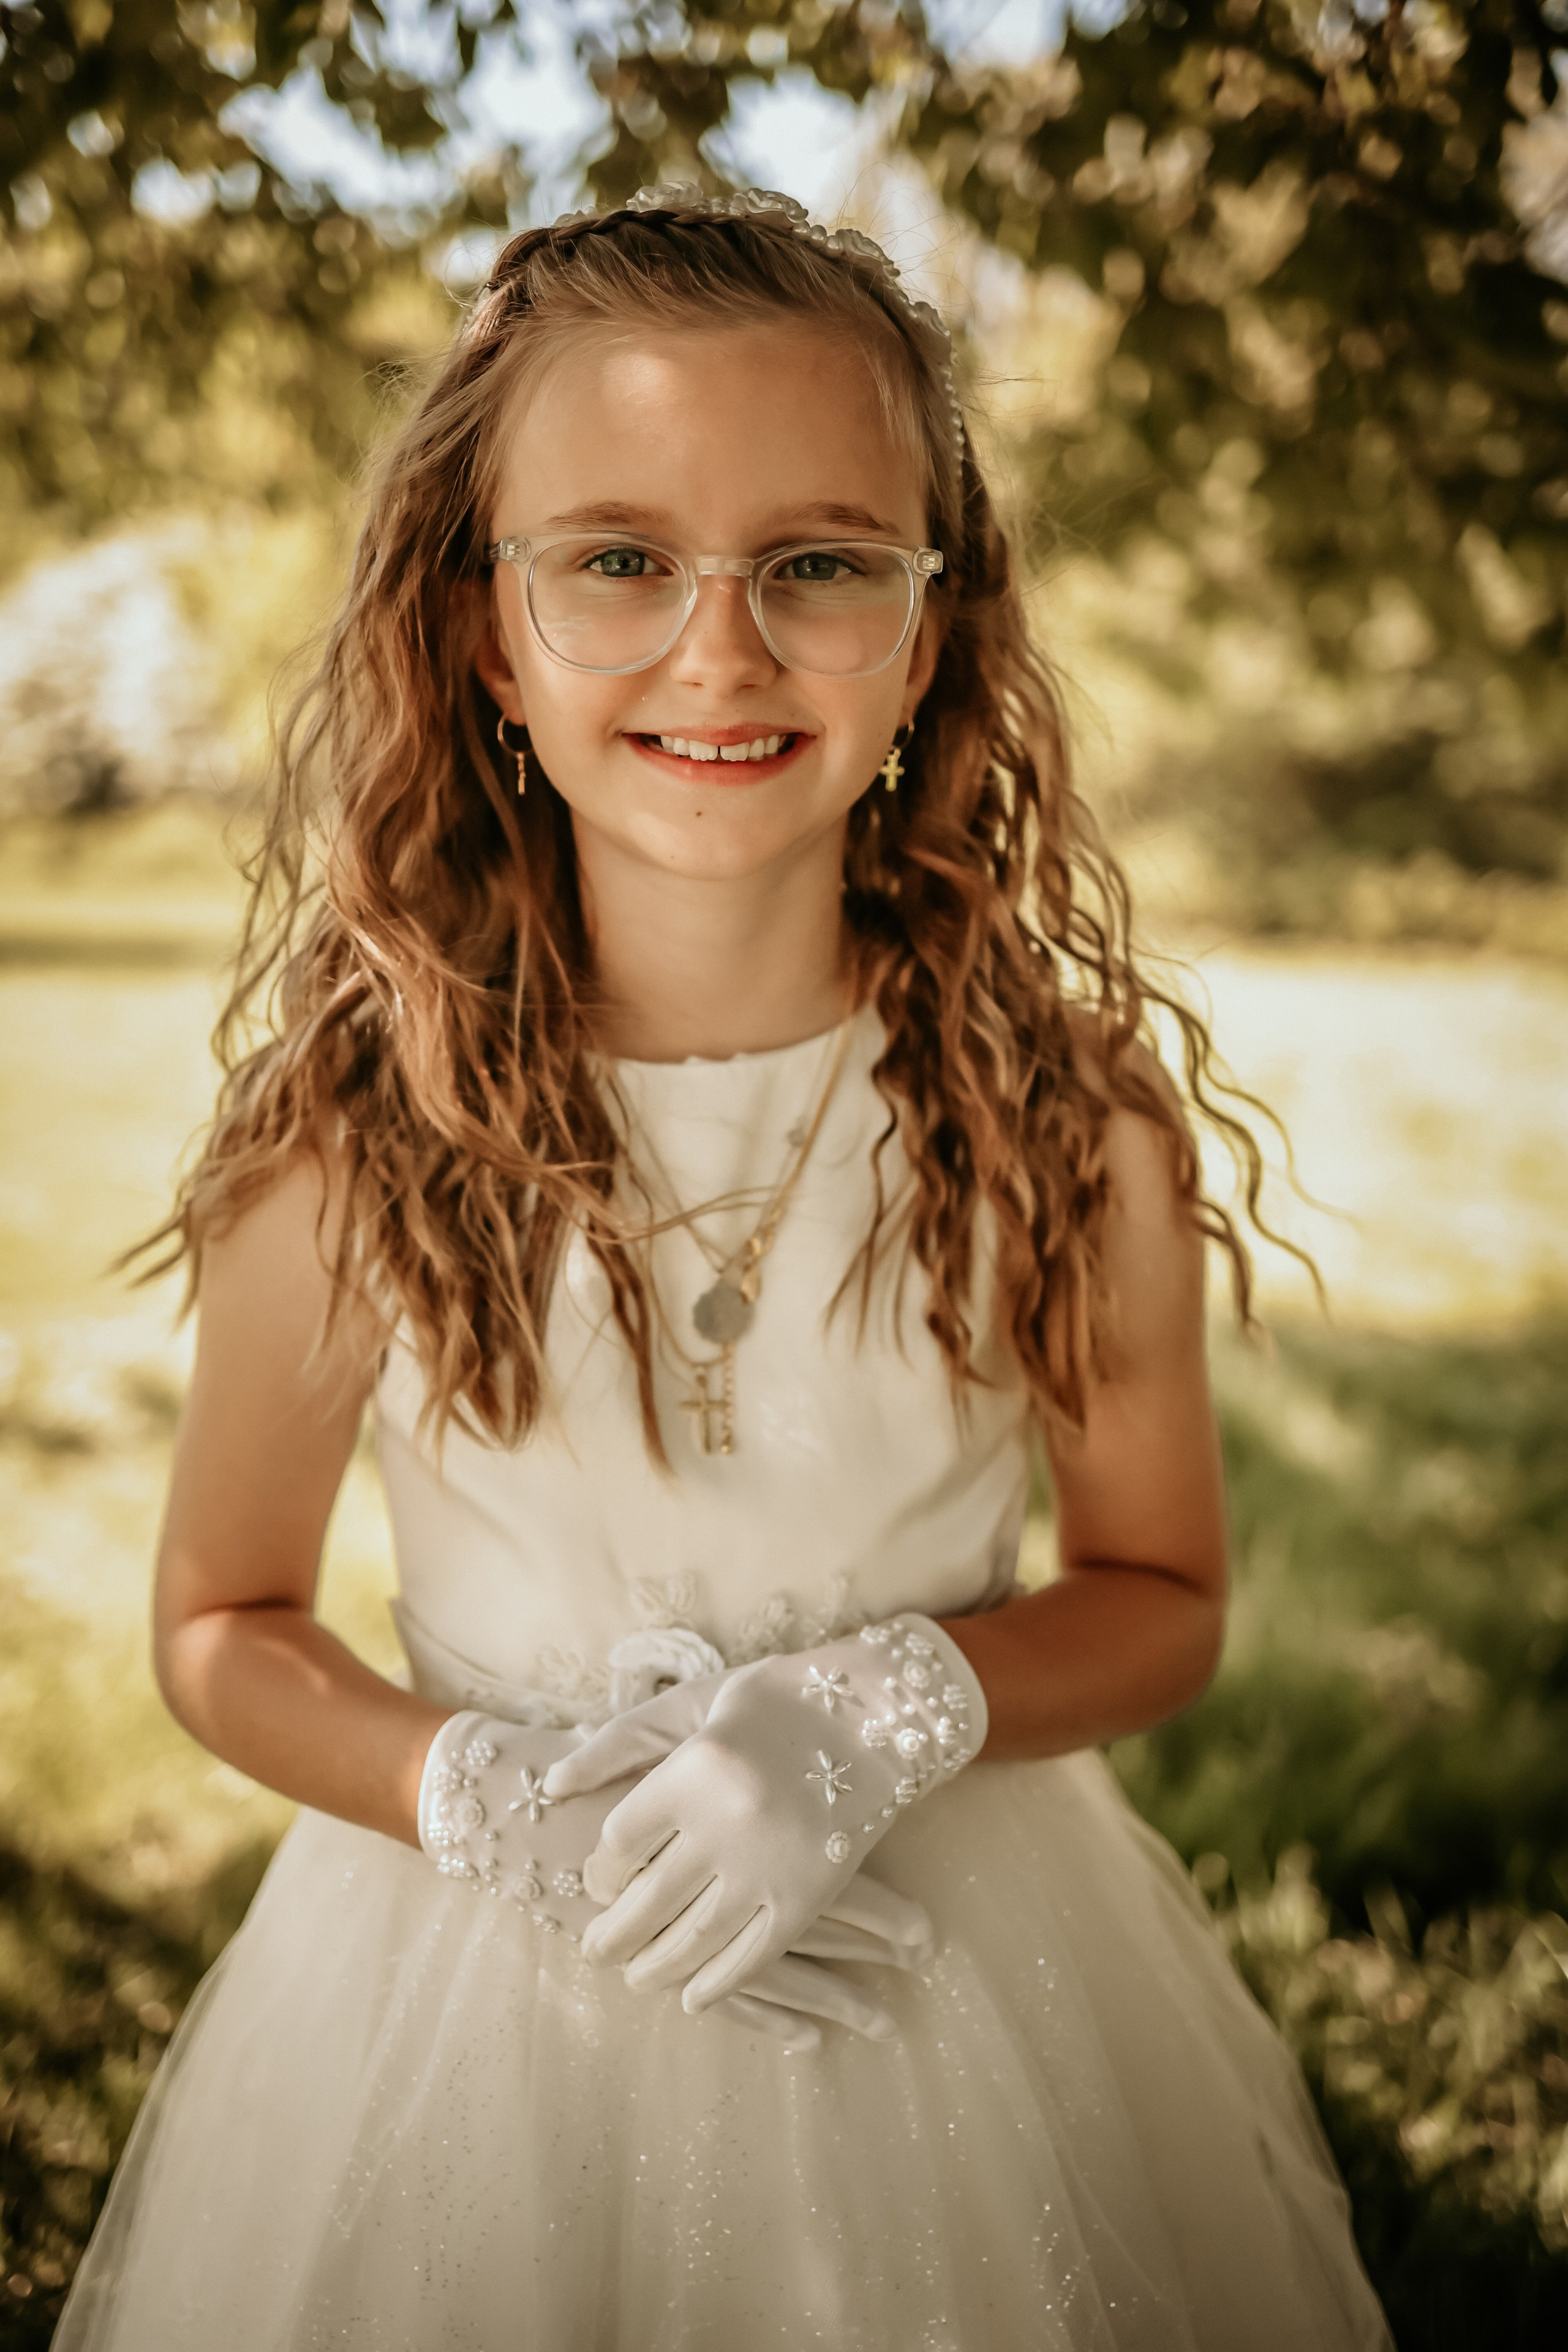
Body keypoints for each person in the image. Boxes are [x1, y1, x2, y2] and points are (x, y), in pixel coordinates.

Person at [55, 184, 1392, 2350]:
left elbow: (1162, 1592)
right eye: (617, 561)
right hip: (463, 1994)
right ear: (485, 633)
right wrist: (475, 1798)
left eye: (821, 564)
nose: (720, 649)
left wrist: (888, 1705)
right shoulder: (355, 1136)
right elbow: (220, 1621)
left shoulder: (1067, 1120)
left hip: (962, 1972)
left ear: (931, 628)